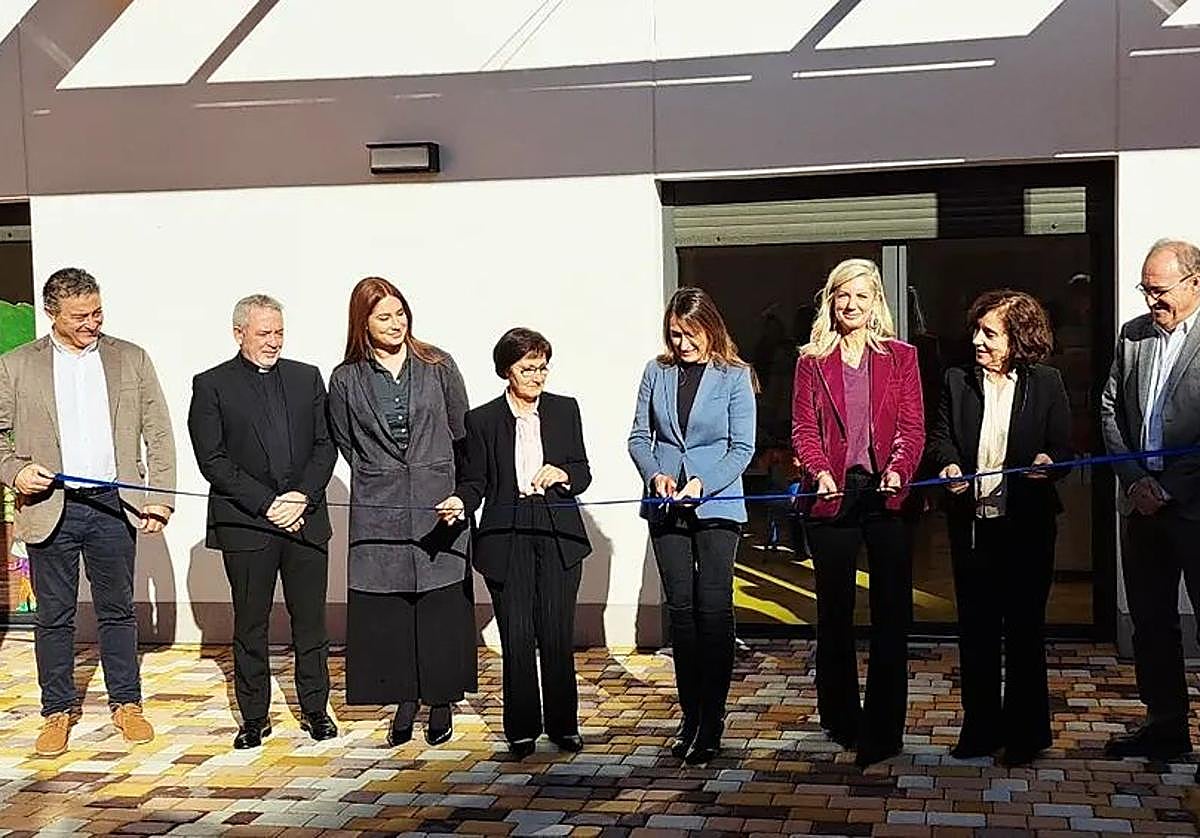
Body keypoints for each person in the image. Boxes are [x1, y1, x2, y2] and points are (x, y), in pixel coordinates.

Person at [0, 267, 176, 757]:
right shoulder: (16, 366)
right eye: (80, 316)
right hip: (48, 506)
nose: (92, 323)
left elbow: (158, 432)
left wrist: (158, 497)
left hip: (112, 506)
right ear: (52, 313)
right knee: (53, 617)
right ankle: (57, 711)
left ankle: (127, 703)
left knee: (117, 612)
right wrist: (14, 472)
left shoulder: (131, 359)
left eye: (97, 312)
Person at [328, 276, 476, 747]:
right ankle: (405, 698)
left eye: (400, 313)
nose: (395, 324)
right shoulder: (346, 377)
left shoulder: (438, 364)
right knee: (393, 610)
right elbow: (345, 442)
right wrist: (380, 476)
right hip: (380, 507)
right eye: (383, 316)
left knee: (438, 606)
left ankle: (440, 699)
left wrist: (462, 493)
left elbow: (462, 431)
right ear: (363, 323)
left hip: (439, 505)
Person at [188, 294, 338, 750]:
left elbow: (325, 444)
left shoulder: (306, 377)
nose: (273, 342)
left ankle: (315, 709)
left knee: (310, 622)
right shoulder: (211, 384)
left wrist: (301, 496)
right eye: (263, 333)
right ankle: (254, 717)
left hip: (305, 520)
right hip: (248, 524)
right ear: (239, 334)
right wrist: (268, 503)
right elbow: (212, 458)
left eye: (279, 332)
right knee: (250, 624)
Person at [928, 289, 1071, 766]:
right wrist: (948, 467)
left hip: (1027, 527)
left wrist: (1049, 463)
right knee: (977, 630)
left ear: (1018, 339)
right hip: (974, 526)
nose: (977, 341)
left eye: (989, 333)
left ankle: (1027, 735)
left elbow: (1064, 448)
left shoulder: (1047, 383)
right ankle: (980, 728)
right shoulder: (956, 380)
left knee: (1025, 631)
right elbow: (941, 437)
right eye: (977, 331)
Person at [791, 258, 924, 768]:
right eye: (842, 295)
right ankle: (841, 718)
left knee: (891, 613)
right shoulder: (810, 360)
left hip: (886, 494)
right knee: (835, 612)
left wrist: (898, 470)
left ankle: (885, 728)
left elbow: (912, 427)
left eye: (861, 297)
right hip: (831, 494)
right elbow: (802, 428)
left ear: (877, 304)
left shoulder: (902, 357)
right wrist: (819, 469)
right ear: (831, 300)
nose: (850, 305)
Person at [438, 328, 592, 759]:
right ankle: (522, 728)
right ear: (507, 370)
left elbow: (582, 471)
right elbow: (475, 482)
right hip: (507, 534)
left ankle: (564, 724)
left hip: (558, 530)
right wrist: (457, 502)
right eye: (528, 368)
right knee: (519, 636)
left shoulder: (565, 410)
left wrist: (562, 474)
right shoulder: (482, 420)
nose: (537, 375)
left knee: (557, 634)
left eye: (542, 367)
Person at [627, 286, 756, 765]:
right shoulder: (655, 372)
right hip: (665, 505)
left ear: (711, 328)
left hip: (717, 504)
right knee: (681, 611)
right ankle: (690, 714)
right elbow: (640, 435)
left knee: (713, 609)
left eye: (691, 334)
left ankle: (713, 718)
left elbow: (742, 448)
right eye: (675, 335)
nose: (683, 344)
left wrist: (703, 482)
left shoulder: (734, 376)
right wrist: (655, 473)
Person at [1100, 238, 1200, 768]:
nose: (1150, 300)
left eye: (1160, 291)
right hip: (1139, 509)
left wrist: (1172, 487)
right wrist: (1136, 479)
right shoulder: (1132, 335)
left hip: (1193, 507)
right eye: (1145, 289)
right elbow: (1111, 408)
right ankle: (1165, 725)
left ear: (1195, 282)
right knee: (1151, 622)